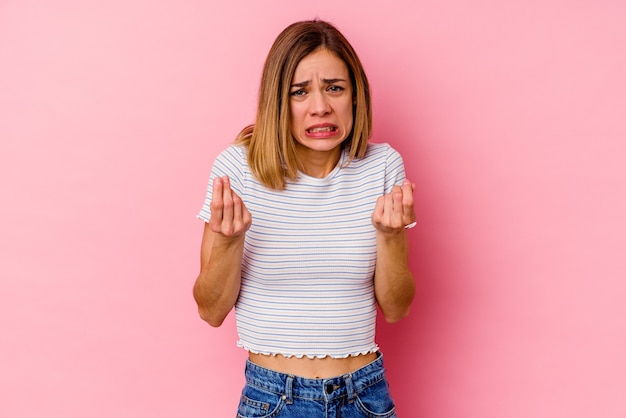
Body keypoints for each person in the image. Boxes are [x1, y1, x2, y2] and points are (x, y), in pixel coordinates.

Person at [193, 19, 416, 417]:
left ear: (355, 95)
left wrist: (390, 235)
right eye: (300, 92)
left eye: (335, 87)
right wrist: (228, 241)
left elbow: (397, 308)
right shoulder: (238, 169)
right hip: (273, 397)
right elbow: (211, 311)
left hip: (363, 396)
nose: (321, 107)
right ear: (278, 100)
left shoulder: (382, 167)